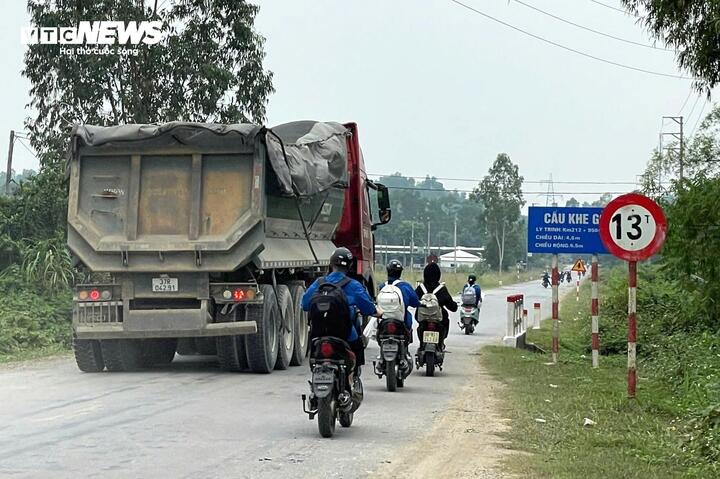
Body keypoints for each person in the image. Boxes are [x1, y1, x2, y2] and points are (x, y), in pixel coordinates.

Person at [302, 247, 381, 376]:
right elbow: (368, 308)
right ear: (349, 266)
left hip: (318, 332)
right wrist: (377, 312)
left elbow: (305, 304)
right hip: (345, 334)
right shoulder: (354, 285)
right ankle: (353, 376)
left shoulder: (319, 283)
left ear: (331, 263)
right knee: (357, 345)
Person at [414, 262, 457, 349]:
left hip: (423, 319)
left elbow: (413, 301)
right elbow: (452, 307)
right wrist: (454, 305)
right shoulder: (441, 289)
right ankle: (441, 342)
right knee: (445, 320)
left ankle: (422, 345)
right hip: (438, 319)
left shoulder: (420, 288)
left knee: (420, 324)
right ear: (438, 275)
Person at [378, 259, 420, 339]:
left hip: (383, 319)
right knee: (408, 318)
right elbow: (415, 302)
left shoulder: (382, 286)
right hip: (401, 320)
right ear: (400, 272)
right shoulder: (405, 286)